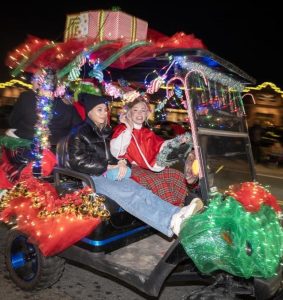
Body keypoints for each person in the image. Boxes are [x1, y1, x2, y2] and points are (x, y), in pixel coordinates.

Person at [63, 93, 203, 237]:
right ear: (89, 111)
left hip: (109, 174)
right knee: (130, 195)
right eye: (99, 110)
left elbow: (118, 154)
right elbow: (77, 160)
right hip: (91, 177)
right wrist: (107, 166)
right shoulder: (79, 132)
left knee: (143, 192)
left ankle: (177, 213)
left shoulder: (106, 132)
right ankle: (170, 222)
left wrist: (122, 162)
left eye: (105, 110)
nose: (104, 113)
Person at [110, 97, 189, 206]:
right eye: (135, 110)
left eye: (143, 110)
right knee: (157, 182)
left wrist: (177, 141)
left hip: (146, 167)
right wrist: (128, 128)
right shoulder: (122, 129)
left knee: (176, 175)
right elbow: (117, 151)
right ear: (129, 112)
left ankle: (183, 205)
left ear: (147, 113)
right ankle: (173, 211)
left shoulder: (146, 132)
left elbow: (159, 145)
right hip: (129, 167)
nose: (139, 113)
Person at [6, 73, 82, 150]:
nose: (32, 82)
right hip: (58, 149)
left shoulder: (26, 96)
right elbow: (79, 125)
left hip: (28, 146)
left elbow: (13, 121)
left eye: (34, 79)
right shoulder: (66, 100)